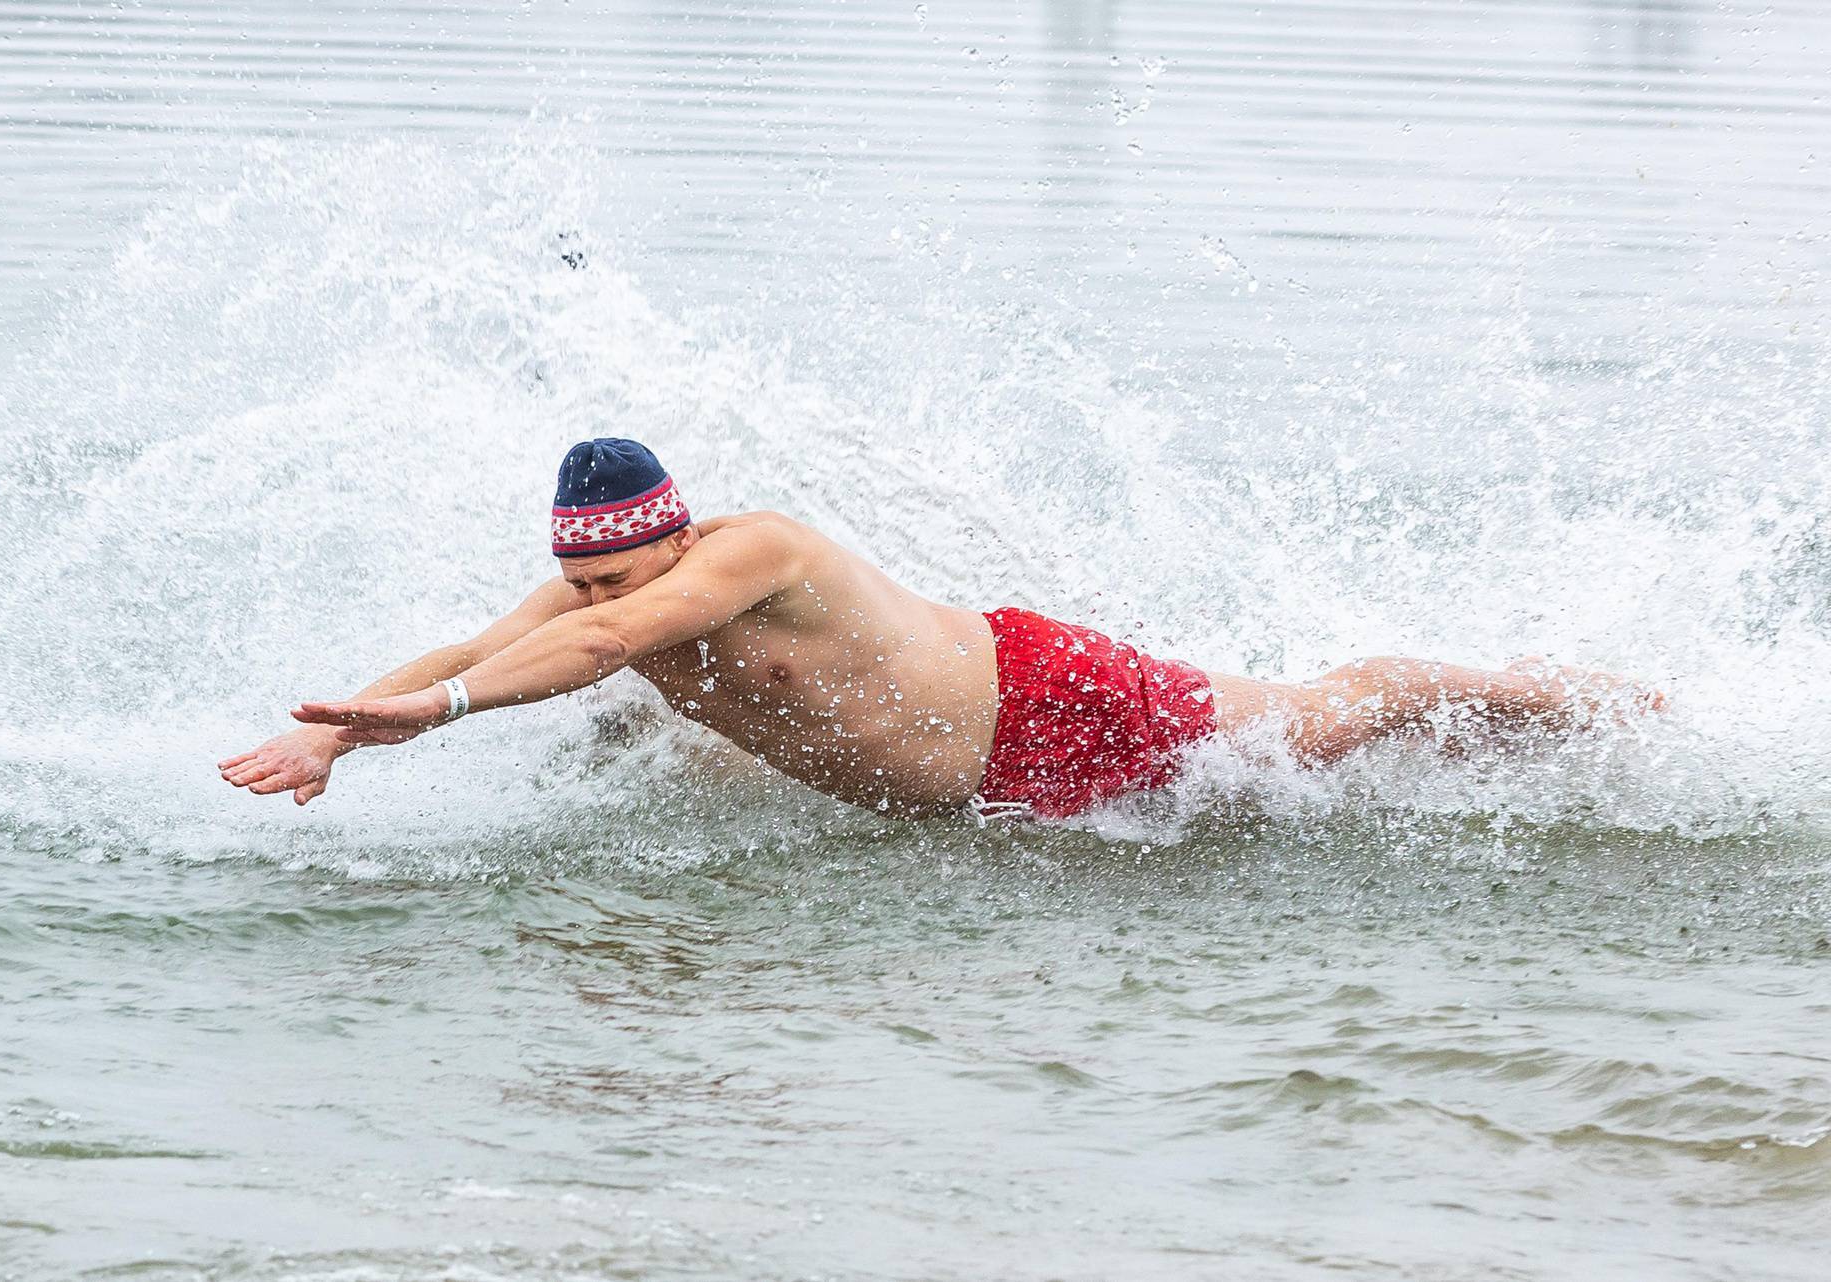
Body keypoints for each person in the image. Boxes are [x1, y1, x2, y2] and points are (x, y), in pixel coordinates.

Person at [218, 439, 1661, 820]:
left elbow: (580, 656)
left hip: (1045, 700)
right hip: (985, 795)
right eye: (581, 584)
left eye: (624, 576)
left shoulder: (752, 549)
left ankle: (1536, 692)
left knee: (1327, 732)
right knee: (1268, 823)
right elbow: (474, 652)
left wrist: (443, 719)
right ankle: (1498, 740)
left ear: (678, 529)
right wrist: (339, 727)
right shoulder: (596, 599)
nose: (603, 607)